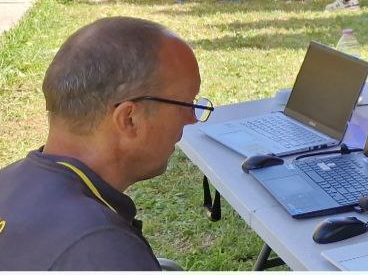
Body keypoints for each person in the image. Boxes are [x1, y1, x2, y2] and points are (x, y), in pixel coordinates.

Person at [0, 17, 210, 270]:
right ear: (129, 119)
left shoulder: (8, 180)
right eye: (187, 105)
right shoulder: (105, 250)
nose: (192, 119)